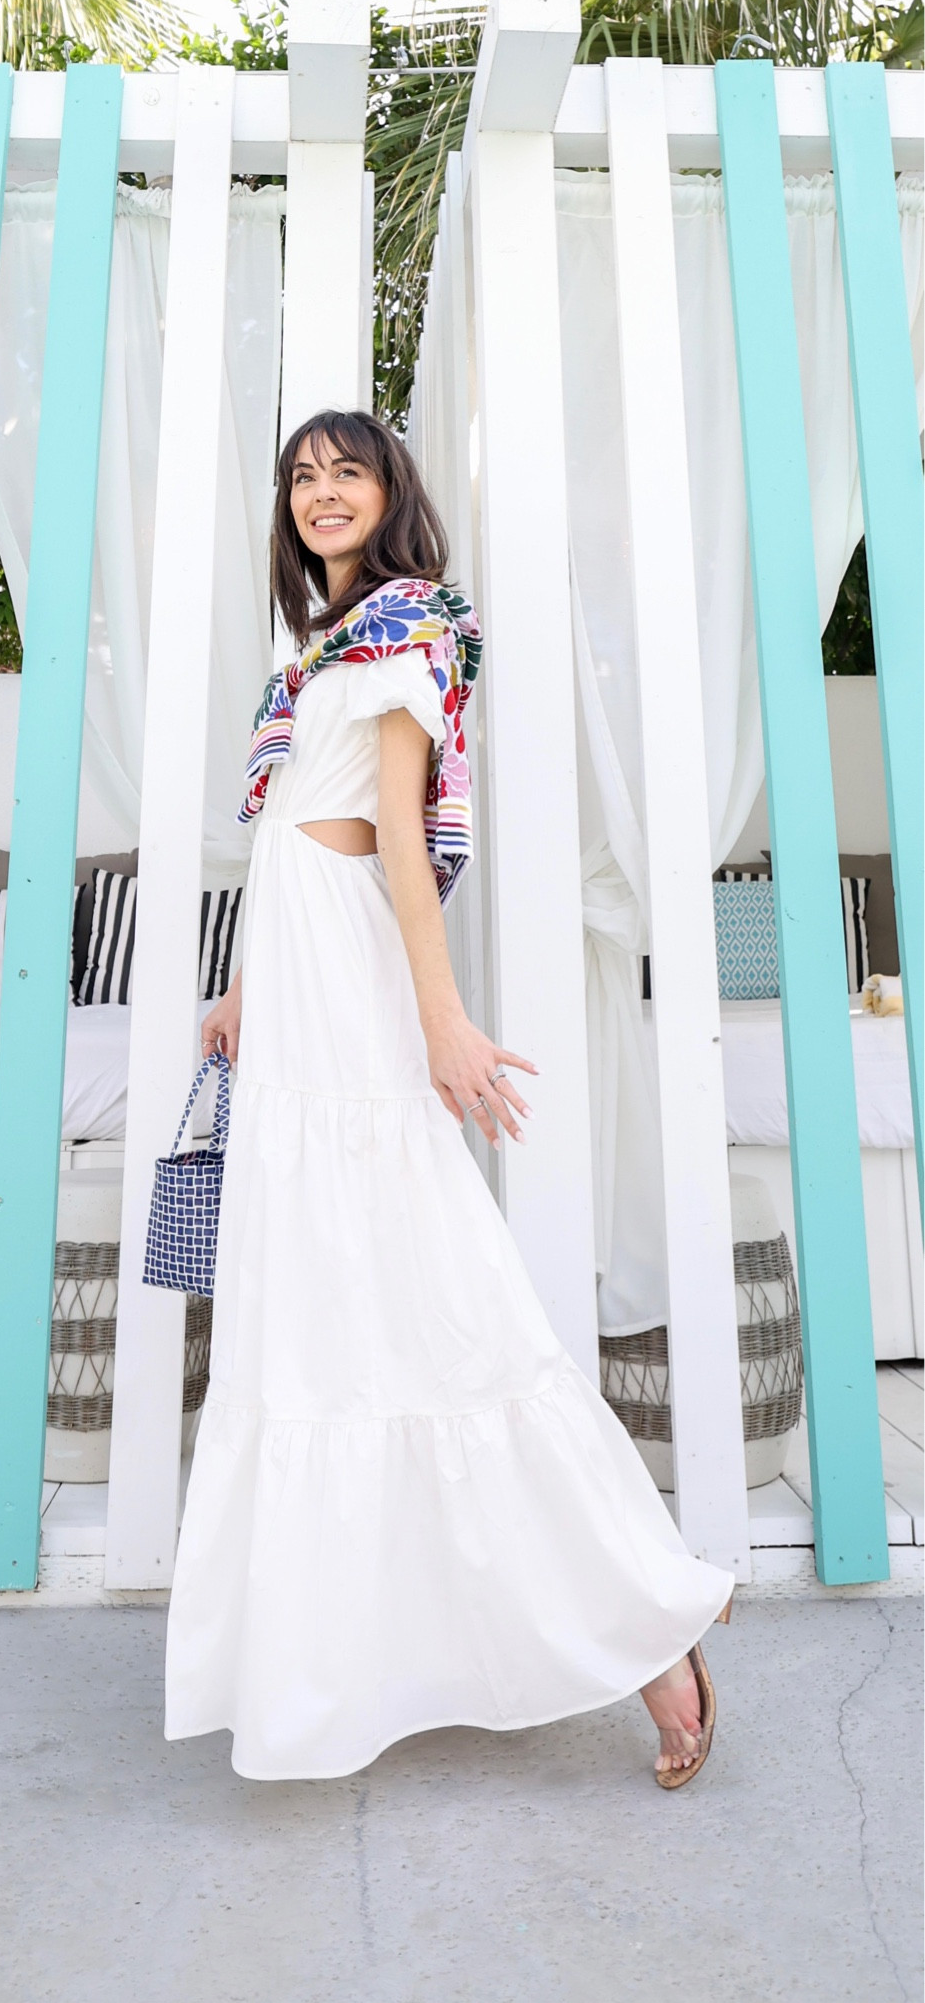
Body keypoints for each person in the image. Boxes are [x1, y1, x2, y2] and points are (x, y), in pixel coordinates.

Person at [163, 409, 733, 1786]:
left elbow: (398, 849)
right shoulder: (315, 649)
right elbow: (294, 832)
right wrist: (242, 986)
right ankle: (350, 1660)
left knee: (439, 1293)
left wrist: (443, 1023)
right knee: (328, 1314)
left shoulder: (407, 625)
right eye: (301, 477)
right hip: (294, 981)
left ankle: (646, 1626)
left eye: (345, 472)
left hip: (355, 987)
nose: (320, 493)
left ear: (390, 491)